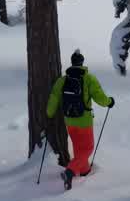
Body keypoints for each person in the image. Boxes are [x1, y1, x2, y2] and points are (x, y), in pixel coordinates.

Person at [47, 51, 114, 190]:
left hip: (69, 121)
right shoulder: (89, 78)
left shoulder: (63, 80)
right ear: (82, 62)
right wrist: (109, 102)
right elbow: (100, 97)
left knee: (79, 149)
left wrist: (49, 113)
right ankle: (70, 171)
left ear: (72, 62)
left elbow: (54, 96)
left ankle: (84, 171)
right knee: (88, 148)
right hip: (84, 121)